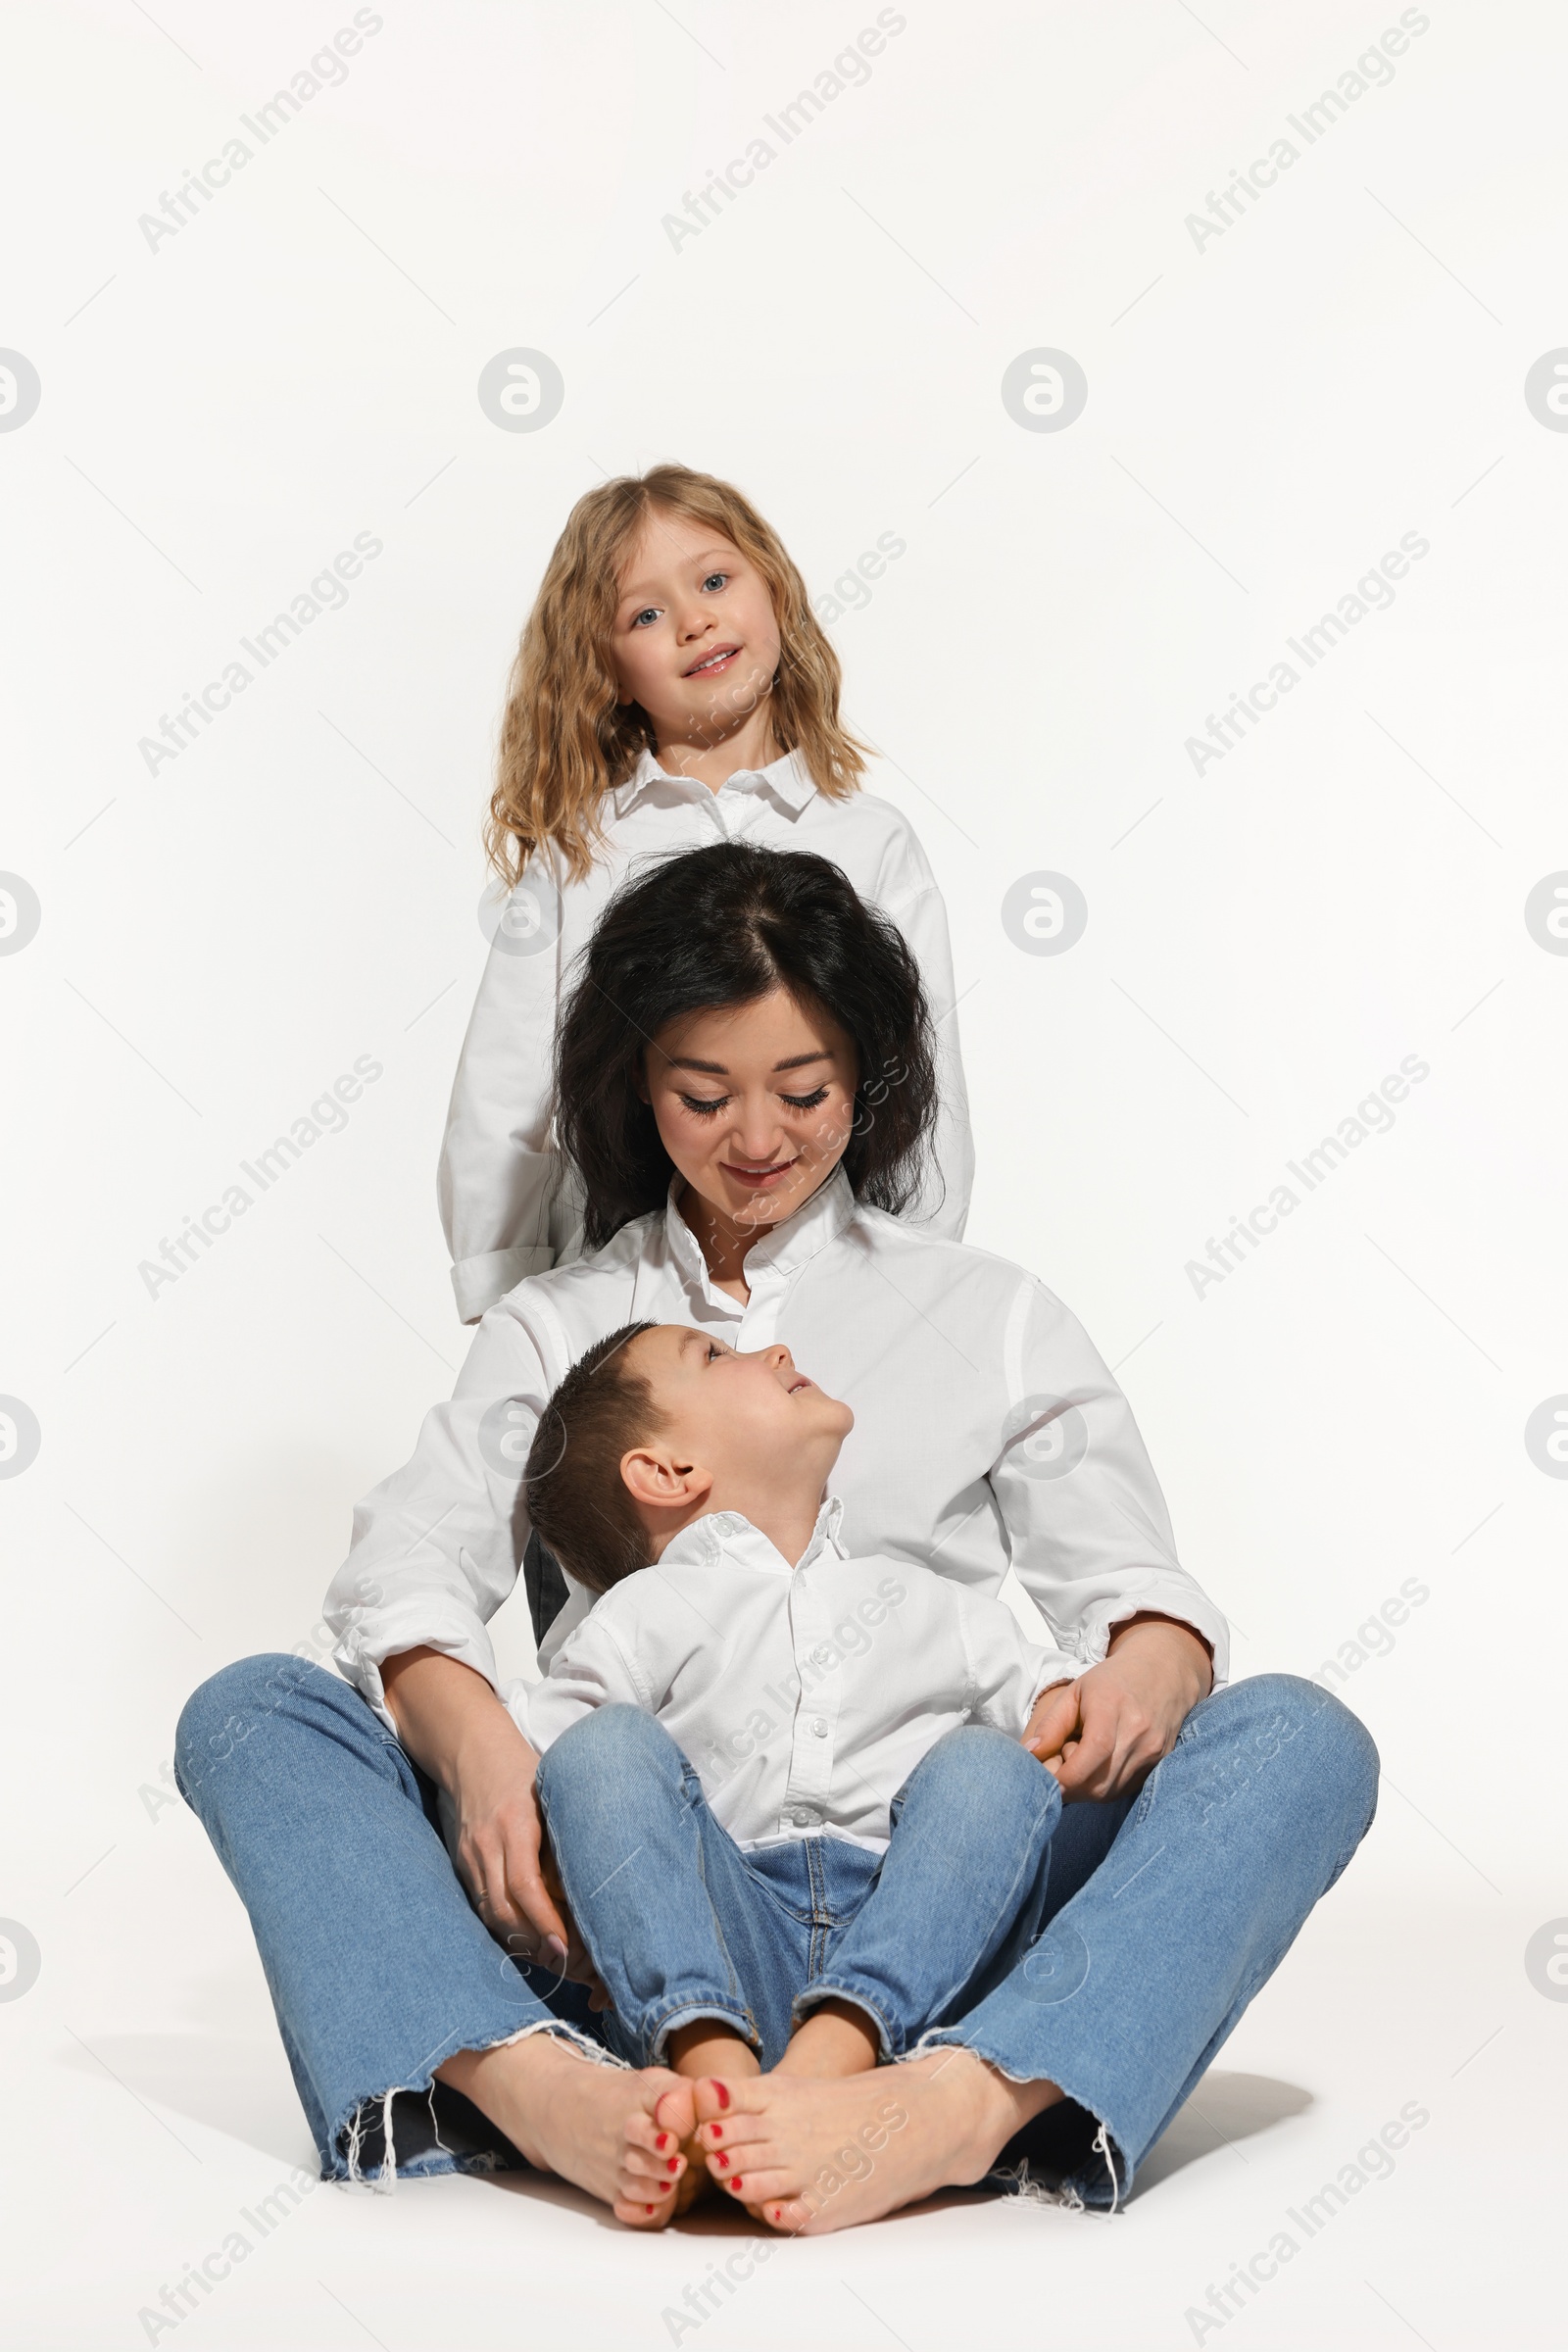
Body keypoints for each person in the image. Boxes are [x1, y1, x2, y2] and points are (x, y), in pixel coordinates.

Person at [177, 841, 1374, 2227]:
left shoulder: (987, 1310)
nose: (758, 1141)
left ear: (865, 1079)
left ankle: (947, 2104)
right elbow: (405, 1575)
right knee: (254, 1716)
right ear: (640, 1083)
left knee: (1297, 1739)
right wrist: (490, 1753)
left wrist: (1144, 1672)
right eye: (705, 1094)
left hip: (947, 1902)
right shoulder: (564, 1318)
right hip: (637, 1911)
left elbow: (1130, 1590)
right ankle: (546, 2091)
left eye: (804, 1093)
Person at [515, 1319, 1070, 2225]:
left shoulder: (927, 1598)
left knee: (987, 1765)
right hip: (721, 1930)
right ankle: (708, 2063)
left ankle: (836, 2058)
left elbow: (1057, 1707)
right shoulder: (641, 1613)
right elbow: (547, 1763)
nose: (774, 1351)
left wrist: (1070, 1713)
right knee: (599, 1751)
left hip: (910, 1939)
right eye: (714, 1356)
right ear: (665, 1472)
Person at [439, 461, 971, 1324]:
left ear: (777, 593)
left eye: (716, 580)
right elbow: (505, 1086)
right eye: (645, 614)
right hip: (622, 1284)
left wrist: (919, 1269)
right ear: (605, 668)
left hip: (830, 1273)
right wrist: (506, 1294)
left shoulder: (867, 840)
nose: (694, 621)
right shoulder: (584, 851)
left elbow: (924, 1067)